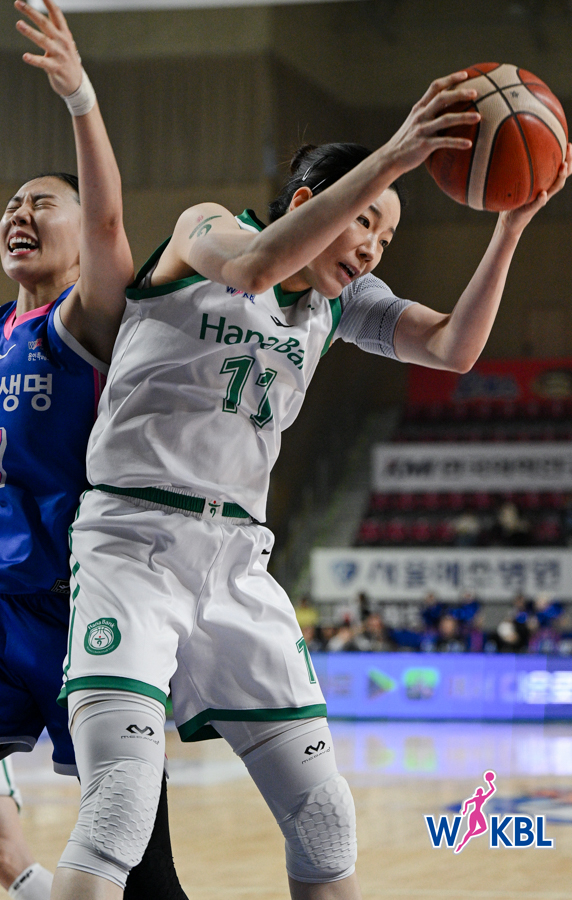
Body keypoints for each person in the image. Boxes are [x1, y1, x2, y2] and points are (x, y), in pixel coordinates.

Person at [54, 68, 572, 900]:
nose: (371, 247)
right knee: (118, 808)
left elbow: (454, 348)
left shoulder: (340, 304)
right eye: (365, 219)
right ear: (307, 202)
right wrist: (396, 153)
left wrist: (511, 226)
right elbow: (255, 267)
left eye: (386, 239)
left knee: (326, 822)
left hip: (236, 560)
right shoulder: (208, 230)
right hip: (131, 543)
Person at [0, 3, 187, 900]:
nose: (19, 211)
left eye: (42, 202)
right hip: (5, 605)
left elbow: (112, 229)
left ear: (79, 239)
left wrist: (80, 98)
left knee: (143, 869)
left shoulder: (81, 322)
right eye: (11, 203)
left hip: (88, 610)